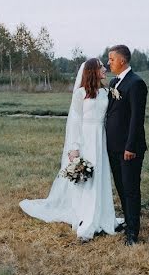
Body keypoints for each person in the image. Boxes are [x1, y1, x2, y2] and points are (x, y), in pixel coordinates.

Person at [19, 58, 119, 242]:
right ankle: (87, 219)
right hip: (85, 140)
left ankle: (104, 217)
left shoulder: (107, 92)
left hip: (101, 138)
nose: (105, 68)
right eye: (101, 67)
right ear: (92, 71)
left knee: (101, 176)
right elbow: (75, 122)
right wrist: (74, 148)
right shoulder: (80, 94)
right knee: (87, 179)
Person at [106, 45, 147, 245]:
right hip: (112, 146)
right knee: (121, 188)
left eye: (111, 59)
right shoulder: (114, 82)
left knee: (131, 189)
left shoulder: (136, 83)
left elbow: (136, 119)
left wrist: (130, 147)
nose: (109, 63)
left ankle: (133, 233)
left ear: (122, 60)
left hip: (128, 148)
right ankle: (128, 223)